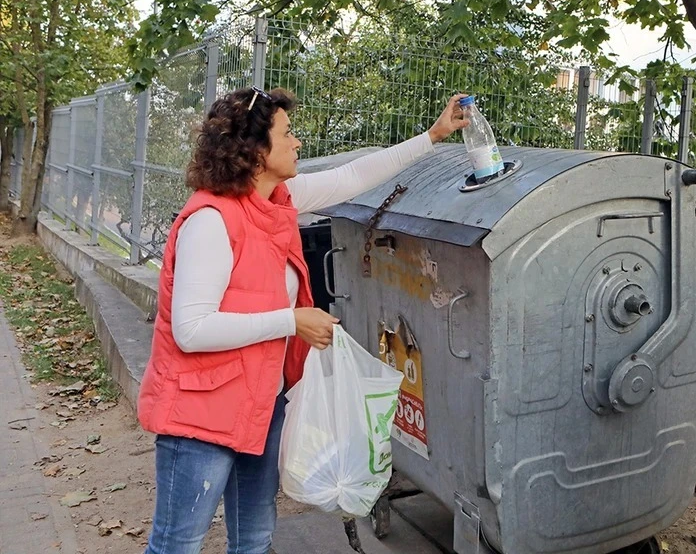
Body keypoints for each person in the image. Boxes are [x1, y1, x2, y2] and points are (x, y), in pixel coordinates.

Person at [137, 86, 468, 554]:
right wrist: (291, 321)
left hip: (261, 403)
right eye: (287, 134)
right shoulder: (211, 221)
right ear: (253, 151)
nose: (297, 144)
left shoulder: (278, 200)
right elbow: (191, 330)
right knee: (178, 545)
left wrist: (432, 136)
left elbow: (354, 175)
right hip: (201, 416)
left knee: (254, 539)